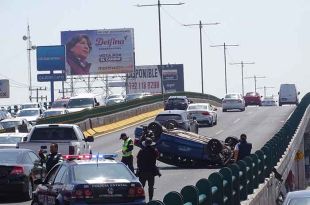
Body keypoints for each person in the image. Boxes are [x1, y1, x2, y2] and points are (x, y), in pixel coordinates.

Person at [136, 137, 161, 201]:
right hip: (151, 172)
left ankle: (140, 199)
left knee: (141, 187)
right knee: (151, 187)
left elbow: (137, 159)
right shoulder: (154, 151)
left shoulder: (141, 151)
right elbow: (157, 156)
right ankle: (150, 200)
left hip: (142, 172)